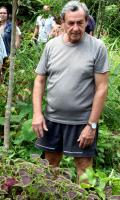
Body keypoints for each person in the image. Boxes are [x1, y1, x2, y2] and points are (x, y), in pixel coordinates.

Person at [32, 1, 109, 183]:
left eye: (80, 23)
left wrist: (92, 125)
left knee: (84, 167)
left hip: (82, 121)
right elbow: (39, 79)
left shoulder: (97, 47)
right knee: (50, 165)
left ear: (87, 21)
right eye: (71, 23)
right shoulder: (51, 46)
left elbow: (102, 87)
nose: (75, 28)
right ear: (63, 22)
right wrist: (37, 113)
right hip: (52, 119)